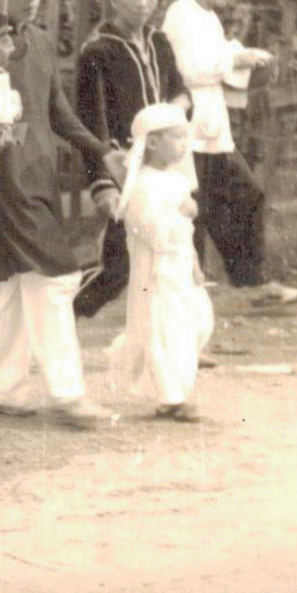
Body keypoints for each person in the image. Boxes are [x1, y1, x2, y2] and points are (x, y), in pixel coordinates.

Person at [0, 0, 123, 430]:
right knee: (54, 278)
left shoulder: (44, 43)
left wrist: (100, 151)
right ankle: (68, 393)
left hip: (38, 175)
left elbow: (57, 112)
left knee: (17, 282)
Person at [161, 0, 294, 301]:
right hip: (188, 131)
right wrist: (234, 58)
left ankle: (252, 280)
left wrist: (242, 59)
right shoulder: (181, 15)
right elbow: (187, 70)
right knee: (194, 211)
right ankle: (191, 289)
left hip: (214, 130)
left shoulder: (210, 18)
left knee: (247, 195)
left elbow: (218, 63)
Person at [73, 0, 189, 319]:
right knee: (120, 265)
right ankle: (64, 309)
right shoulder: (98, 51)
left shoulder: (159, 43)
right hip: (128, 165)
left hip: (166, 164)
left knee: (174, 248)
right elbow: (92, 122)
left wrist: (175, 114)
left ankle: (178, 337)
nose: (143, 3)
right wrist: (102, 183)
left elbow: (181, 93)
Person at [107, 103, 214, 421]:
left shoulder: (178, 181)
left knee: (198, 320)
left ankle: (173, 388)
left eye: (185, 138)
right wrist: (181, 214)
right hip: (156, 269)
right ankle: (172, 396)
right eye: (177, 137)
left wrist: (194, 262)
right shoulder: (144, 185)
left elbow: (186, 233)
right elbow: (149, 230)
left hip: (180, 265)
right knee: (163, 327)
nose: (184, 145)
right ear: (152, 142)